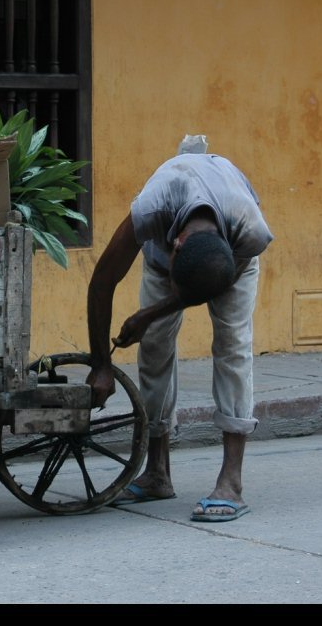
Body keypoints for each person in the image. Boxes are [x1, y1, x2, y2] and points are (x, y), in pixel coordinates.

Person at [86, 135, 273, 522]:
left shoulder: (250, 230)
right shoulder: (151, 209)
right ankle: (157, 471)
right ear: (176, 244)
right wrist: (100, 364)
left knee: (233, 348)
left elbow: (210, 284)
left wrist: (153, 310)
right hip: (171, 252)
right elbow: (102, 281)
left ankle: (231, 483)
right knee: (153, 348)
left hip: (230, 262)